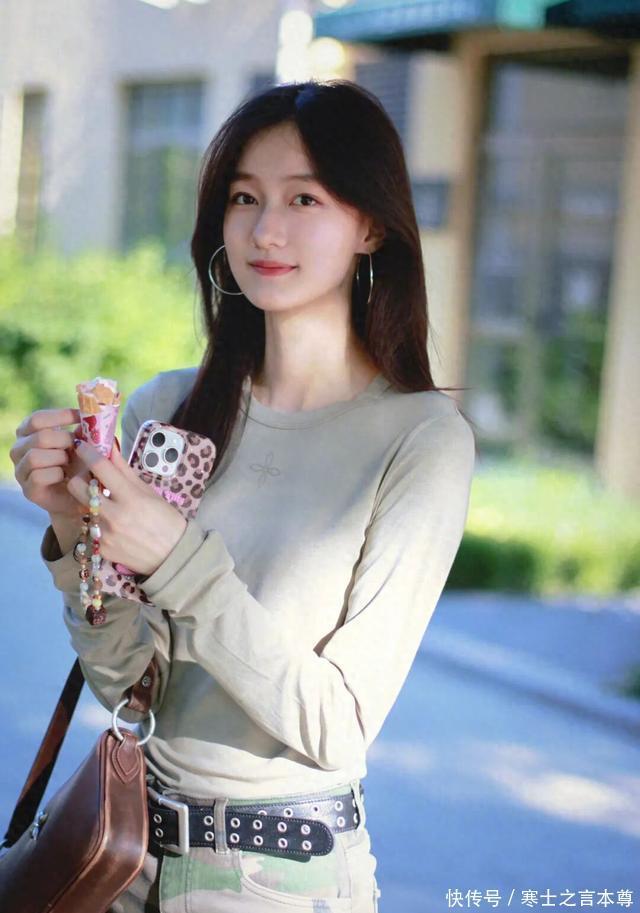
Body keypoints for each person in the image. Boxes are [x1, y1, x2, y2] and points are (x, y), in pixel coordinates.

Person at [11, 79, 476, 912]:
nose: (266, 230)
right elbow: (127, 683)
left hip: (278, 879)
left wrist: (177, 559)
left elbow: (338, 724)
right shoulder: (170, 409)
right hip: (124, 860)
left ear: (371, 226)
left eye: (305, 198)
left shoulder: (420, 439)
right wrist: (73, 526)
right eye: (244, 197)